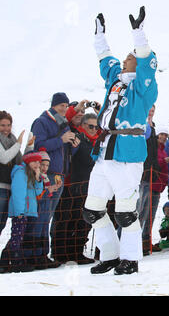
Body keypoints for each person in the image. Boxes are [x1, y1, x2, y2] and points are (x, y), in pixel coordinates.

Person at [82, 7, 158, 275]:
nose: (127, 57)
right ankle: (111, 255)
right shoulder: (115, 80)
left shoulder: (144, 87)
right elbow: (105, 58)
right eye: (128, 55)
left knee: (126, 213)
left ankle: (131, 259)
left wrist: (139, 34)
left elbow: (148, 61)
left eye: (132, 55)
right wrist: (99, 35)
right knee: (92, 210)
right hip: (104, 153)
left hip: (127, 153)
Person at [31, 92, 80, 237]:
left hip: (59, 174)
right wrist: (61, 140)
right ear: (53, 105)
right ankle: (34, 254)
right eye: (61, 105)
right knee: (41, 215)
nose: (64, 109)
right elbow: (38, 146)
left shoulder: (63, 123)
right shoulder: (42, 121)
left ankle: (42, 254)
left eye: (66, 105)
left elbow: (65, 150)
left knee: (48, 216)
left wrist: (74, 145)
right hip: (46, 173)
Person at [52, 114, 99, 264]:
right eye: (90, 126)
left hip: (90, 187)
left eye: (96, 127)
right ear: (83, 125)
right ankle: (62, 253)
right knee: (68, 221)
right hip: (75, 186)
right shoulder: (78, 138)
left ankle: (77, 251)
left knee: (84, 221)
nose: (93, 129)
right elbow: (87, 159)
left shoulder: (97, 141)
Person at [0, 152, 44, 273]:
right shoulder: (20, 173)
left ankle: (4, 261)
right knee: (17, 236)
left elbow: (38, 192)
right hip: (22, 212)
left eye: (39, 162)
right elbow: (18, 193)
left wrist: (38, 178)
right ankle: (15, 262)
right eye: (34, 161)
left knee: (19, 236)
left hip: (29, 211)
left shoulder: (32, 174)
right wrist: (19, 211)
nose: (37, 164)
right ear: (28, 161)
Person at [23, 148, 62, 269]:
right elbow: (35, 193)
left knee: (43, 229)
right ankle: (31, 257)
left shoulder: (45, 178)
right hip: (36, 209)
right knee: (35, 230)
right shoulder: (33, 176)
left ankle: (42, 255)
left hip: (45, 208)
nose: (45, 168)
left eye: (47, 165)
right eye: (42, 164)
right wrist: (48, 191)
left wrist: (52, 189)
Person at [0, 111, 35, 236]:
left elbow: (20, 161)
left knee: (2, 223)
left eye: (8, 125)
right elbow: (4, 158)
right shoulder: (13, 142)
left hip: (9, 187)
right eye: (2, 125)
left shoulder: (12, 140)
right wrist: (18, 144)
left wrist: (29, 146)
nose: (6, 129)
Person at [138, 125, 169, 256]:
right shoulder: (153, 148)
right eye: (161, 135)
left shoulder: (164, 149)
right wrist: (164, 161)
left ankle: (146, 241)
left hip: (158, 186)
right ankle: (137, 241)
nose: (162, 137)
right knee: (143, 214)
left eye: (165, 136)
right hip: (150, 183)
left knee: (151, 216)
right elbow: (153, 161)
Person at [136, 105, 160, 255]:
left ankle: (140, 242)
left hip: (149, 174)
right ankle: (130, 243)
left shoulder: (153, 126)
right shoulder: (140, 123)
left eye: (153, 108)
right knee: (136, 211)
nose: (151, 110)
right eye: (149, 107)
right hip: (139, 174)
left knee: (144, 212)